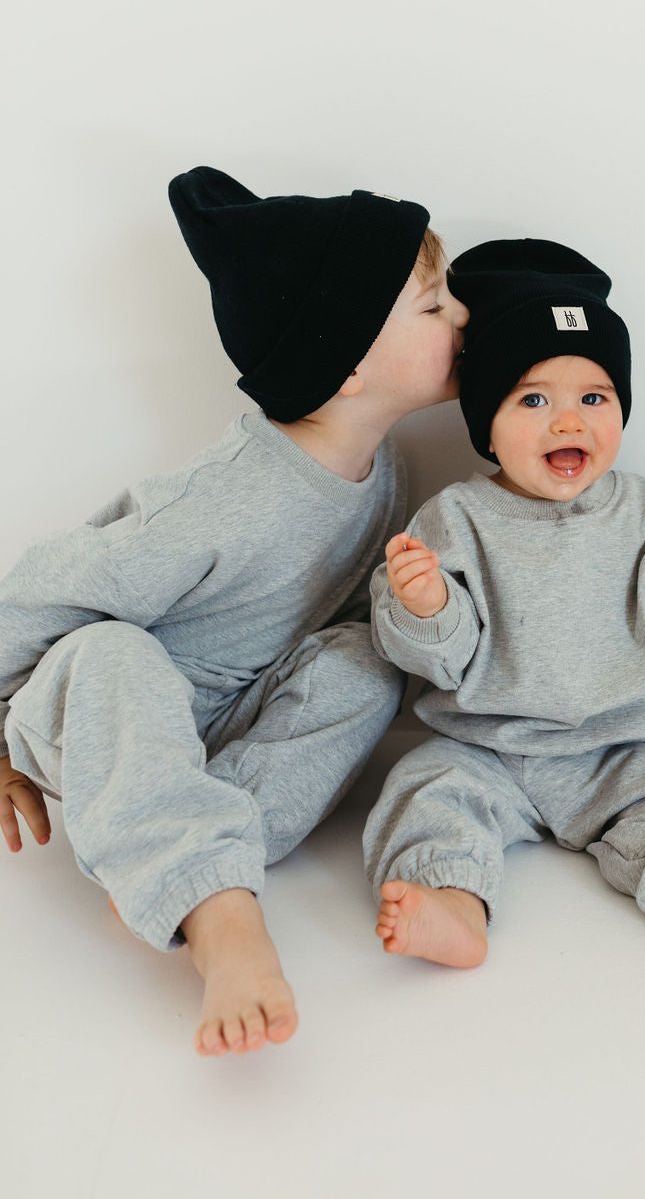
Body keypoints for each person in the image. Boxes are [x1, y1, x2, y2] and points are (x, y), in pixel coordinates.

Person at [0, 167, 469, 1054]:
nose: (461, 319)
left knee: (369, 659)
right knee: (111, 653)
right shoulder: (226, 498)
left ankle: (167, 852)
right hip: (113, 715)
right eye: (435, 306)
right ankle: (220, 915)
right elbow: (48, 586)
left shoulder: (385, 472)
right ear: (349, 365)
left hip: (228, 729)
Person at [364, 238, 645, 971]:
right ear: (486, 423)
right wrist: (427, 603)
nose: (569, 423)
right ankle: (450, 901)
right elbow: (443, 655)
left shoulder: (643, 509)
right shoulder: (457, 519)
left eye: (594, 399)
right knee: (428, 796)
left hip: (624, 747)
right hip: (486, 746)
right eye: (534, 400)